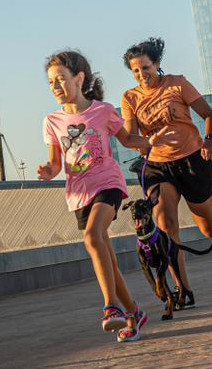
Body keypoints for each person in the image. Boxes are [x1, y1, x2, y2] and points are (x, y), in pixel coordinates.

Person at [121, 38, 212, 314]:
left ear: (157, 64)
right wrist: (143, 143)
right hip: (158, 166)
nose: (142, 74)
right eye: (136, 71)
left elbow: (208, 114)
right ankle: (183, 290)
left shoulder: (177, 84)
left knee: (207, 227)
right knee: (165, 223)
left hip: (191, 160)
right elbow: (129, 137)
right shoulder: (129, 98)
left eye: (145, 67)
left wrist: (209, 141)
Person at [37, 49, 150, 341]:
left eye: (61, 79)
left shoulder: (102, 110)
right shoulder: (51, 121)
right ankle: (134, 313)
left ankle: (111, 307)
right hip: (79, 193)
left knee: (92, 237)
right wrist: (49, 171)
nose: (56, 86)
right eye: (51, 82)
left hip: (108, 183)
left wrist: (151, 141)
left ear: (79, 78)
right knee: (107, 260)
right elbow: (55, 162)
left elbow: (127, 139)